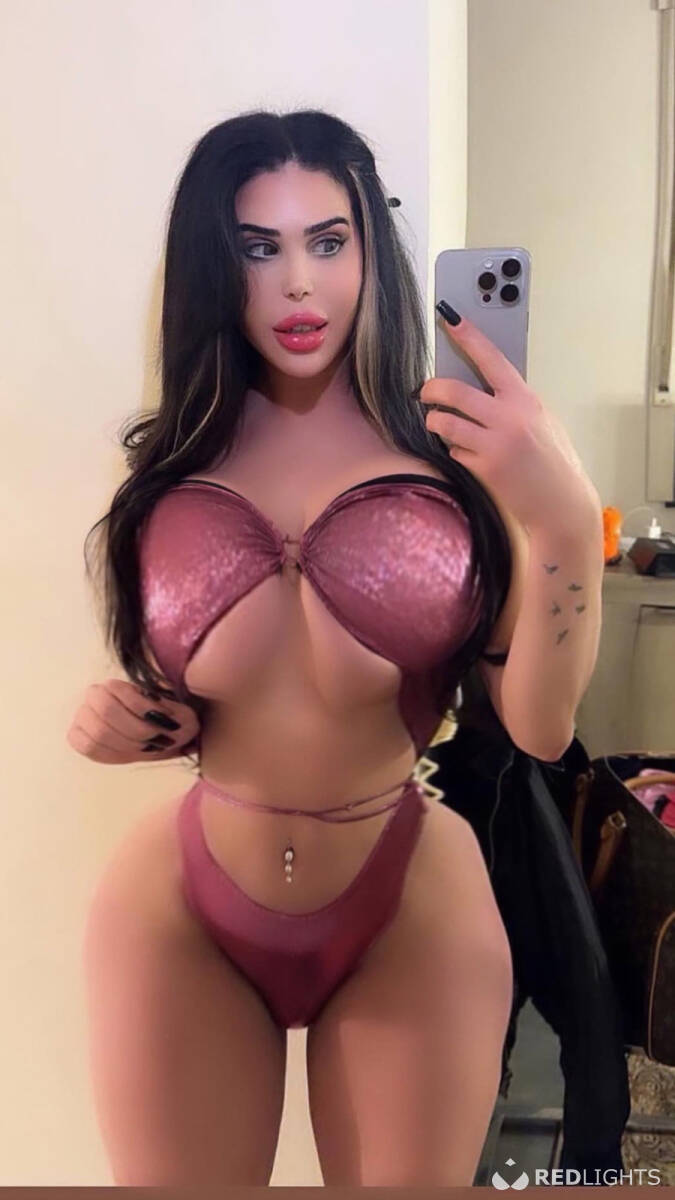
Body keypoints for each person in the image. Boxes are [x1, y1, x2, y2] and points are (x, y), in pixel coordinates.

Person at [70, 107, 604, 1187]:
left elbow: (542, 729)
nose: (299, 285)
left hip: (406, 892)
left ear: (371, 250)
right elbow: (189, 687)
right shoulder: (170, 470)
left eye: (328, 240)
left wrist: (559, 518)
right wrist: (118, 717)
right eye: (258, 248)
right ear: (213, 265)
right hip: (182, 902)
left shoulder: (458, 461)